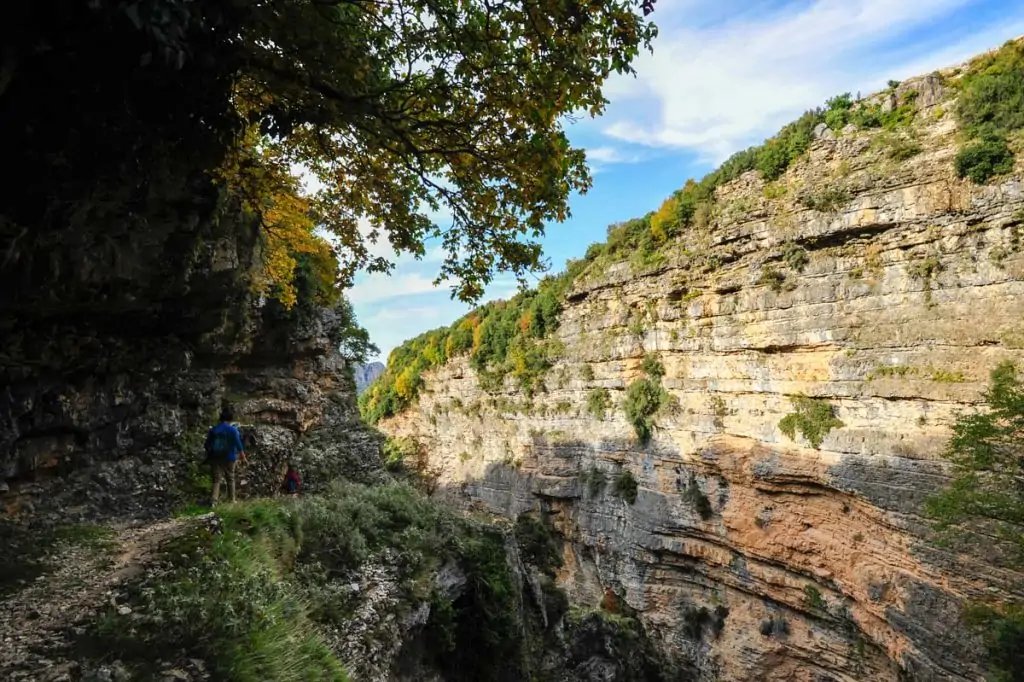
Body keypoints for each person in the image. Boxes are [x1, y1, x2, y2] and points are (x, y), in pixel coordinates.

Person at [204, 408, 247, 505]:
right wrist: (243, 457)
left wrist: (211, 454)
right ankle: (232, 500)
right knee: (230, 478)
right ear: (230, 419)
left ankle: (213, 501)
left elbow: (207, 444)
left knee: (216, 479)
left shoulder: (214, 429)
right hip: (229, 457)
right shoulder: (233, 430)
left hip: (215, 457)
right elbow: (238, 444)